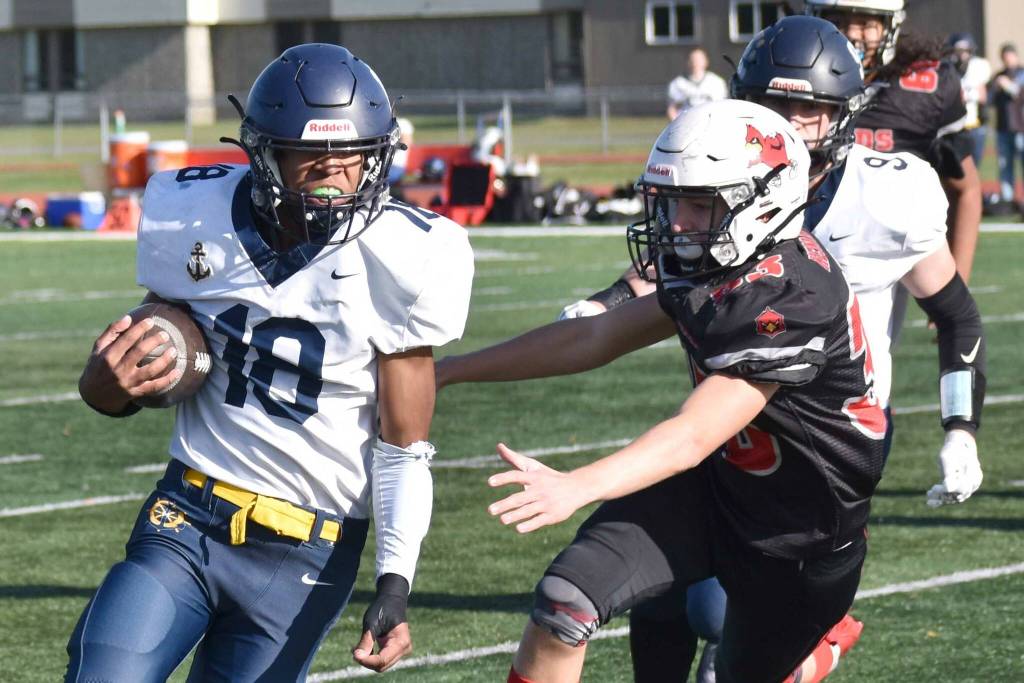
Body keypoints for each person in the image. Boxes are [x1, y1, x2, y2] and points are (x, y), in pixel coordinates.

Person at [561, 15, 988, 682]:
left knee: (722, 621)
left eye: (806, 110)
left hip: (826, 442)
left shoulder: (887, 192)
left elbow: (957, 313)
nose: (785, 123)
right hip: (730, 425)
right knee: (664, 598)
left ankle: (815, 641)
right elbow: (666, 269)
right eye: (769, 106)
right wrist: (603, 307)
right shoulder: (718, 174)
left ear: (843, 116)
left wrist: (960, 427)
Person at [439, 98, 888, 683]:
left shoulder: (790, 295)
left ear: (763, 203)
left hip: (797, 540)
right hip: (719, 491)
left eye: (698, 205)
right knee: (563, 603)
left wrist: (576, 485)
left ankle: (816, 653)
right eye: (672, 203)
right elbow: (595, 336)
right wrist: (451, 370)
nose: (675, 224)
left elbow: (691, 436)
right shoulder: (717, 260)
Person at [68, 43, 474, 681]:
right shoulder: (192, 214)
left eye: (355, 155)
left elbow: (403, 449)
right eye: (313, 153)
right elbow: (150, 354)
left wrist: (395, 581)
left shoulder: (408, 255)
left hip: (307, 548)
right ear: (263, 154)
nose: (337, 173)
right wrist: (106, 382)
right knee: (106, 670)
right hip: (188, 515)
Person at [804, 0, 983, 284]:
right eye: (837, 20)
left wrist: (956, 283)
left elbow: (967, 189)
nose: (851, 34)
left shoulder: (925, 88)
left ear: (890, 25)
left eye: (866, 23)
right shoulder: (787, 78)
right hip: (798, 250)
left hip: (880, 261)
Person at [947, 33, 992, 168]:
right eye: (959, 51)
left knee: (973, 166)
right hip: (954, 126)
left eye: (965, 50)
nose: (962, 54)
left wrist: (964, 95)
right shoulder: (949, 67)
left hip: (975, 125)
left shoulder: (978, 66)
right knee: (954, 168)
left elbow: (982, 96)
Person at [990, 43, 1024, 205]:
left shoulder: (1022, 73)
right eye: (1004, 57)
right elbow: (990, 100)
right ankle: (1008, 200)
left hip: (1021, 128)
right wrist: (996, 87)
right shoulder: (999, 75)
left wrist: (1008, 86)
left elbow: (1019, 93)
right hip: (1003, 128)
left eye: (1010, 56)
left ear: (1015, 56)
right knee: (1005, 165)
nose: (1007, 60)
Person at [666, 47, 728, 120]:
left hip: (711, 124)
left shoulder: (716, 82)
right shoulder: (678, 83)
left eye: (699, 59)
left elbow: (724, 107)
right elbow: (672, 109)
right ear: (687, 61)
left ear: (706, 61)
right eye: (692, 59)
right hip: (686, 125)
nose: (695, 62)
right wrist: (677, 125)